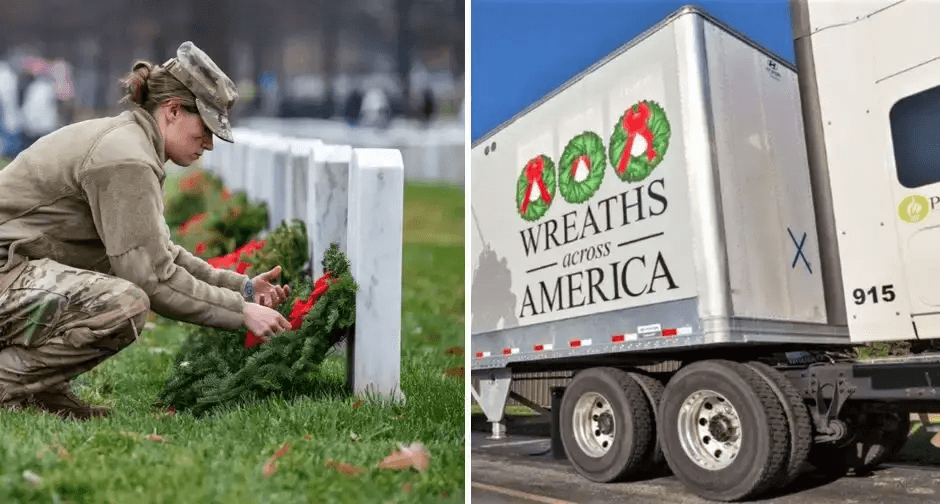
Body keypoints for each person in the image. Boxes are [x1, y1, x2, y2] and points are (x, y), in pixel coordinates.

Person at [0, 42, 293, 420]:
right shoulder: (126, 158)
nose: (209, 142)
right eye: (205, 125)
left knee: (114, 275)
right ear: (172, 110)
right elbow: (153, 279)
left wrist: (243, 289)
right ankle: (12, 381)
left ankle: (39, 390)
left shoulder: (132, 143)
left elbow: (159, 254)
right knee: (124, 304)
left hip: (14, 271)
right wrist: (242, 312)